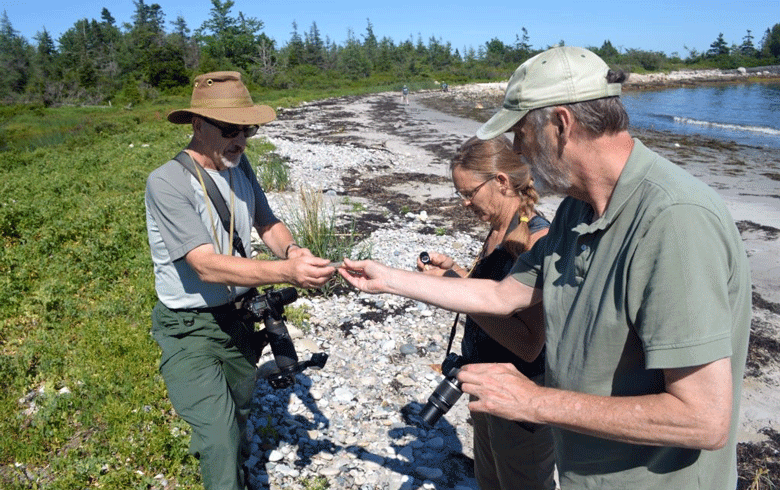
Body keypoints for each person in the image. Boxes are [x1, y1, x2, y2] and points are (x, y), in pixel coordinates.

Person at [338, 47, 751, 489]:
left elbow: (704, 420)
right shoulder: (579, 210)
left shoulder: (674, 220)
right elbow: (502, 295)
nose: (518, 152)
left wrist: (535, 402)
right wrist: (390, 280)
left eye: (519, 134)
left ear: (560, 124)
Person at [145, 71, 335, 490]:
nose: (241, 140)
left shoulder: (239, 164)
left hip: (240, 320)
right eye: (230, 129)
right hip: (189, 329)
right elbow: (205, 266)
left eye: (248, 129)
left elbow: (267, 222)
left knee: (239, 411)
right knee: (218, 435)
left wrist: (292, 251)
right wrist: (286, 273)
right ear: (197, 125)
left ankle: (238, 470)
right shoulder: (167, 181)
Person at [417, 135, 555, 489]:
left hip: (521, 396)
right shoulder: (498, 230)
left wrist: (456, 294)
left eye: (469, 192)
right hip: (485, 385)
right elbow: (495, 298)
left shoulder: (535, 240)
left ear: (501, 181)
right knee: (489, 480)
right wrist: (454, 277)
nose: (464, 203)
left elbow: (529, 344)